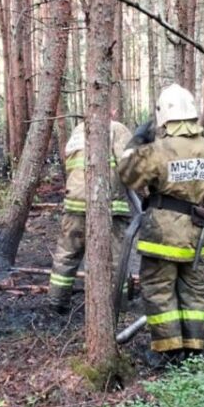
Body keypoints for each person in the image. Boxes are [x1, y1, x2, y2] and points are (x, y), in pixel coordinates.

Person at [118, 84, 204, 365]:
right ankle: (194, 350)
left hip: (162, 237)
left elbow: (127, 173)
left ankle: (168, 351)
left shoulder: (158, 150)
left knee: (158, 290)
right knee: (194, 293)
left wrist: (137, 140)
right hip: (197, 237)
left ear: (164, 115)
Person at [48, 118, 134, 314]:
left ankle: (56, 302)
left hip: (74, 203)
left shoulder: (78, 130)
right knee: (115, 260)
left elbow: (70, 165)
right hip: (107, 205)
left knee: (66, 255)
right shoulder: (117, 129)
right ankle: (117, 309)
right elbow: (130, 166)